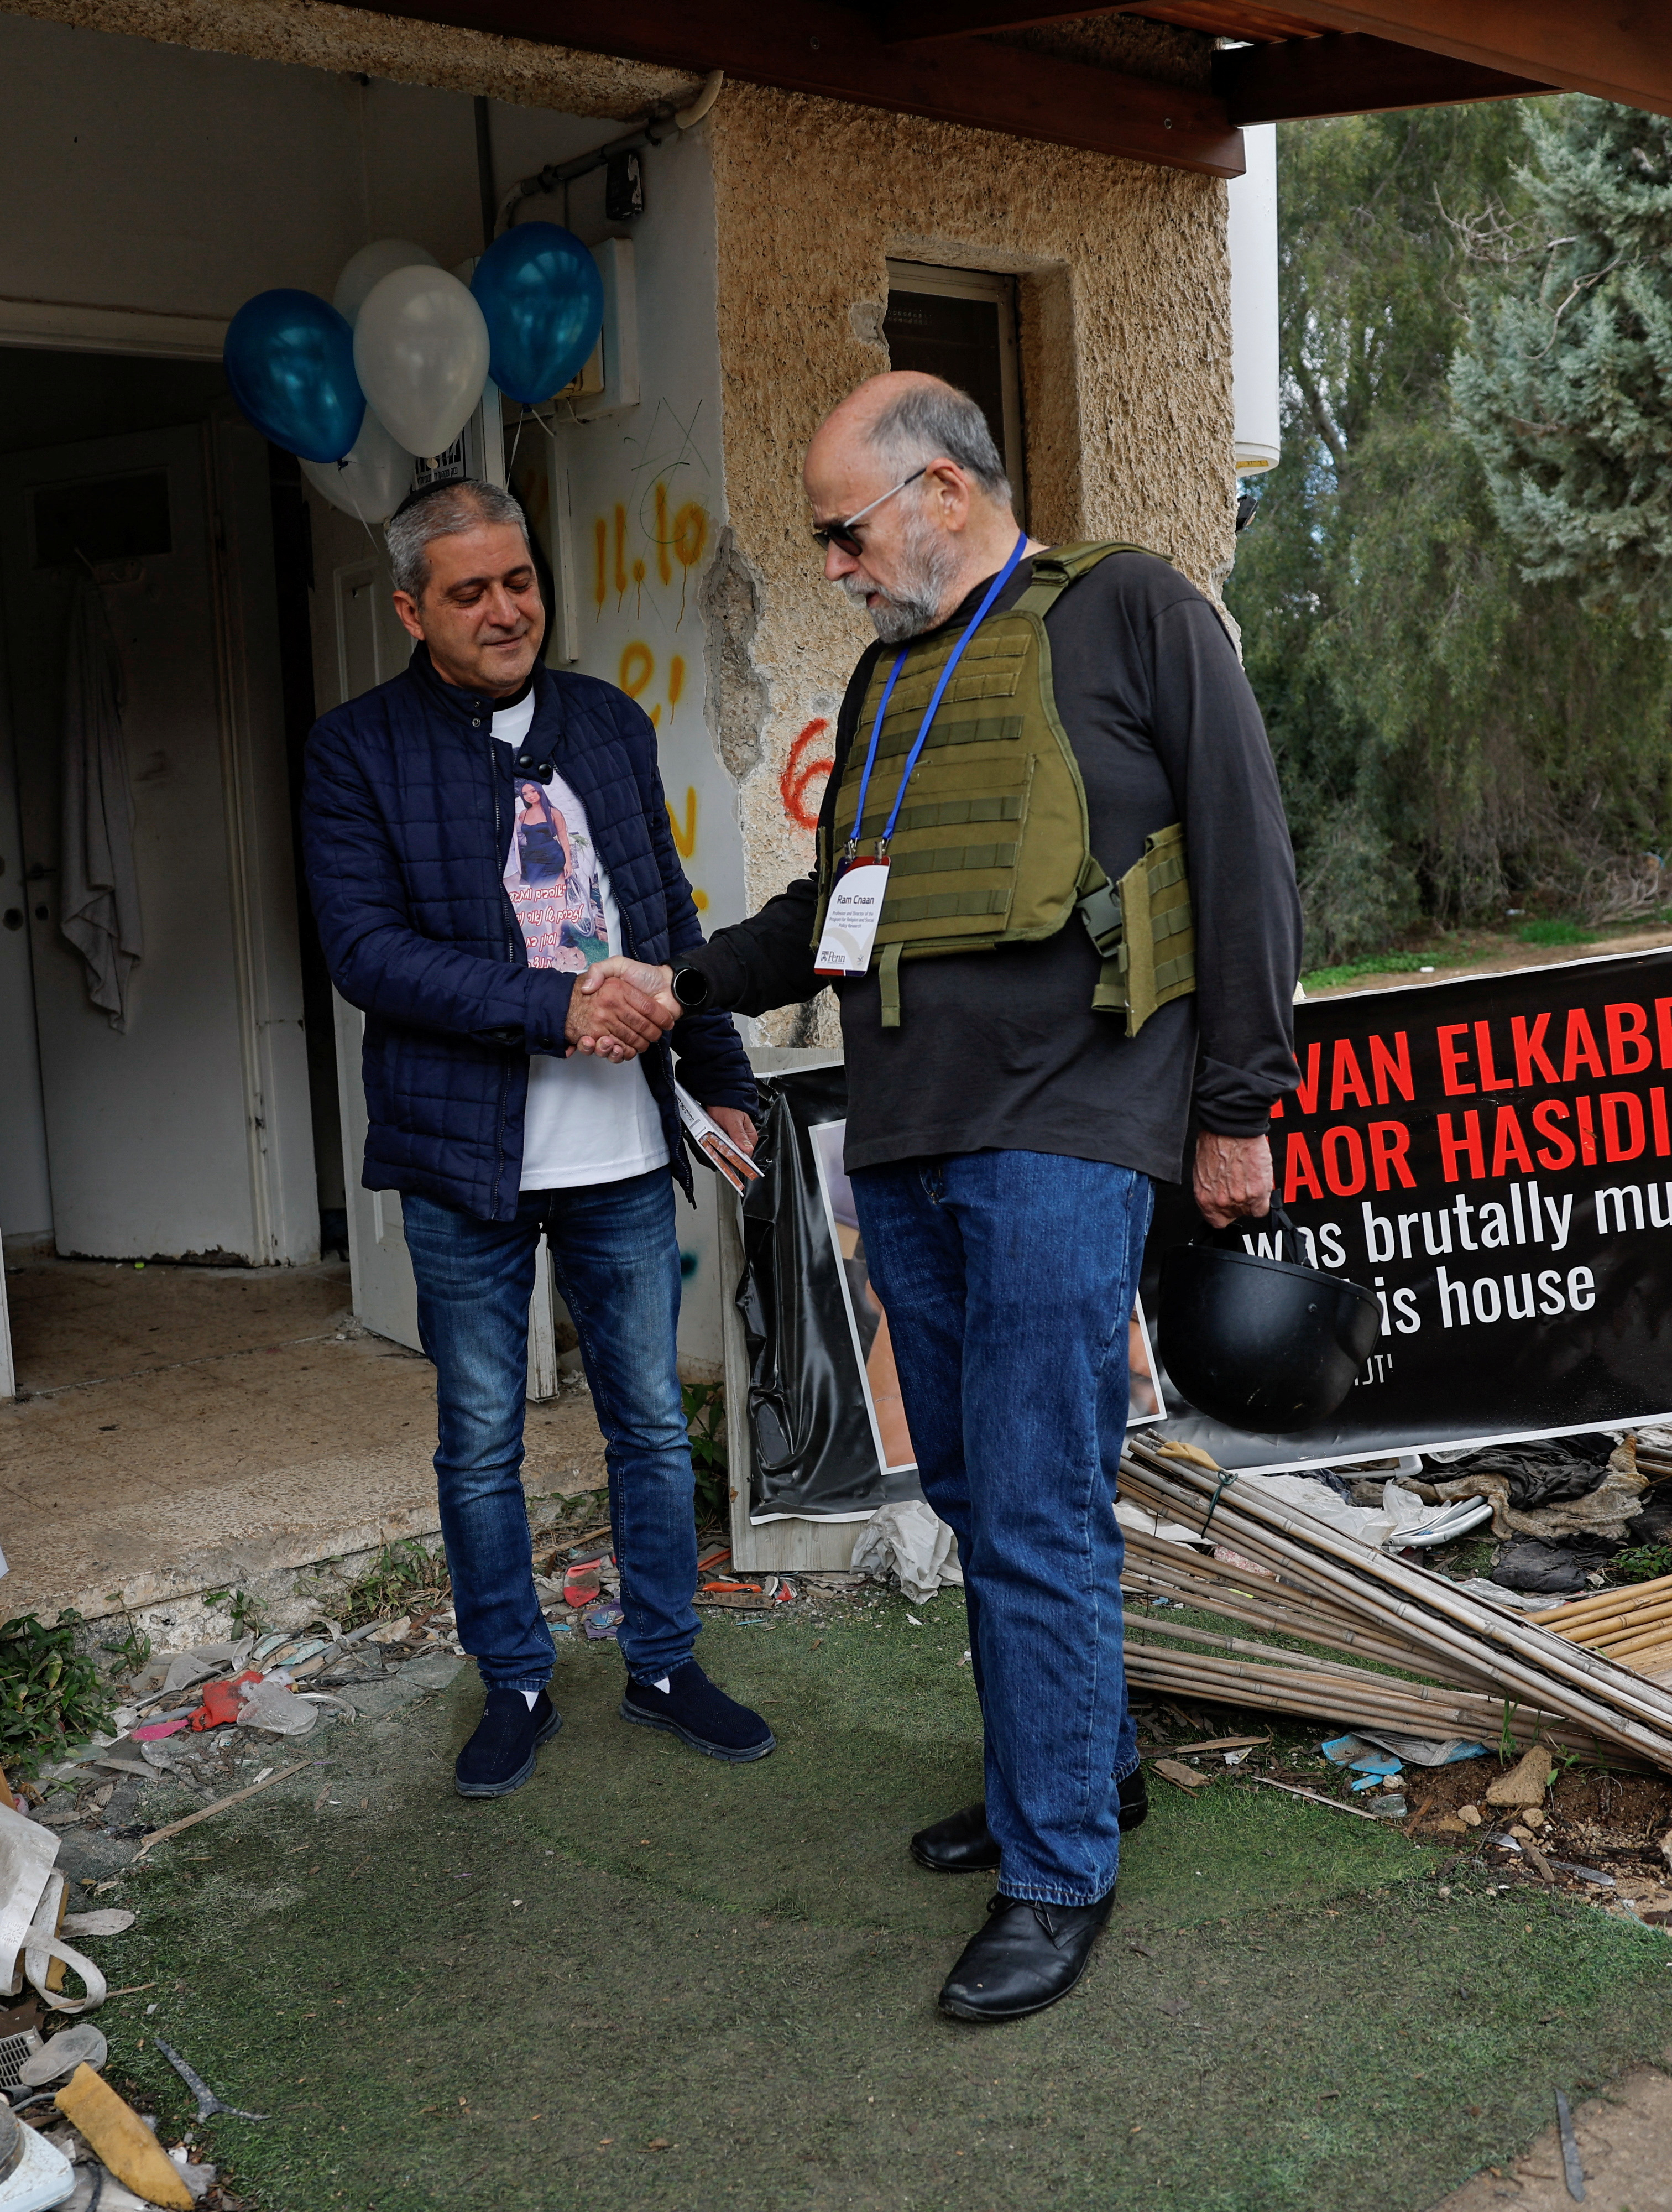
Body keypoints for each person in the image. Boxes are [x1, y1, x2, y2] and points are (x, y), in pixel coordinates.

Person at [589, 373, 1299, 2021]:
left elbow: (1246, 853)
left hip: (1070, 1119)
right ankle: (1080, 1762)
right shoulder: (892, 677)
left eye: (842, 530)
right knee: (978, 1490)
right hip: (906, 1135)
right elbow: (829, 913)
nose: (831, 563)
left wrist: (1240, 1104)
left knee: (1038, 1493)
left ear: (942, 493)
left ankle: (1057, 1870)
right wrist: (675, 983)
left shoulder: (1130, 610)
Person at [301, 478, 775, 1800]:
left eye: (519, 580)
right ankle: (512, 1677)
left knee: (645, 1420)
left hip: (622, 1147)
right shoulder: (356, 751)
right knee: (478, 1435)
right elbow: (368, 952)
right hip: (466, 1154)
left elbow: (667, 912)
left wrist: (720, 1074)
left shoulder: (606, 724)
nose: (507, 608)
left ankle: (667, 1660)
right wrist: (553, 1005)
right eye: (470, 590)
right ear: (411, 607)